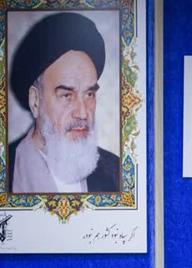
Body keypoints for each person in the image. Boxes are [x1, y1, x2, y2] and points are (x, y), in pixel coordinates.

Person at [9, 12, 119, 193]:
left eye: (89, 94)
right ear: (35, 101)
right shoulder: (8, 171)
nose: (83, 113)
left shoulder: (116, 172)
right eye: (67, 96)